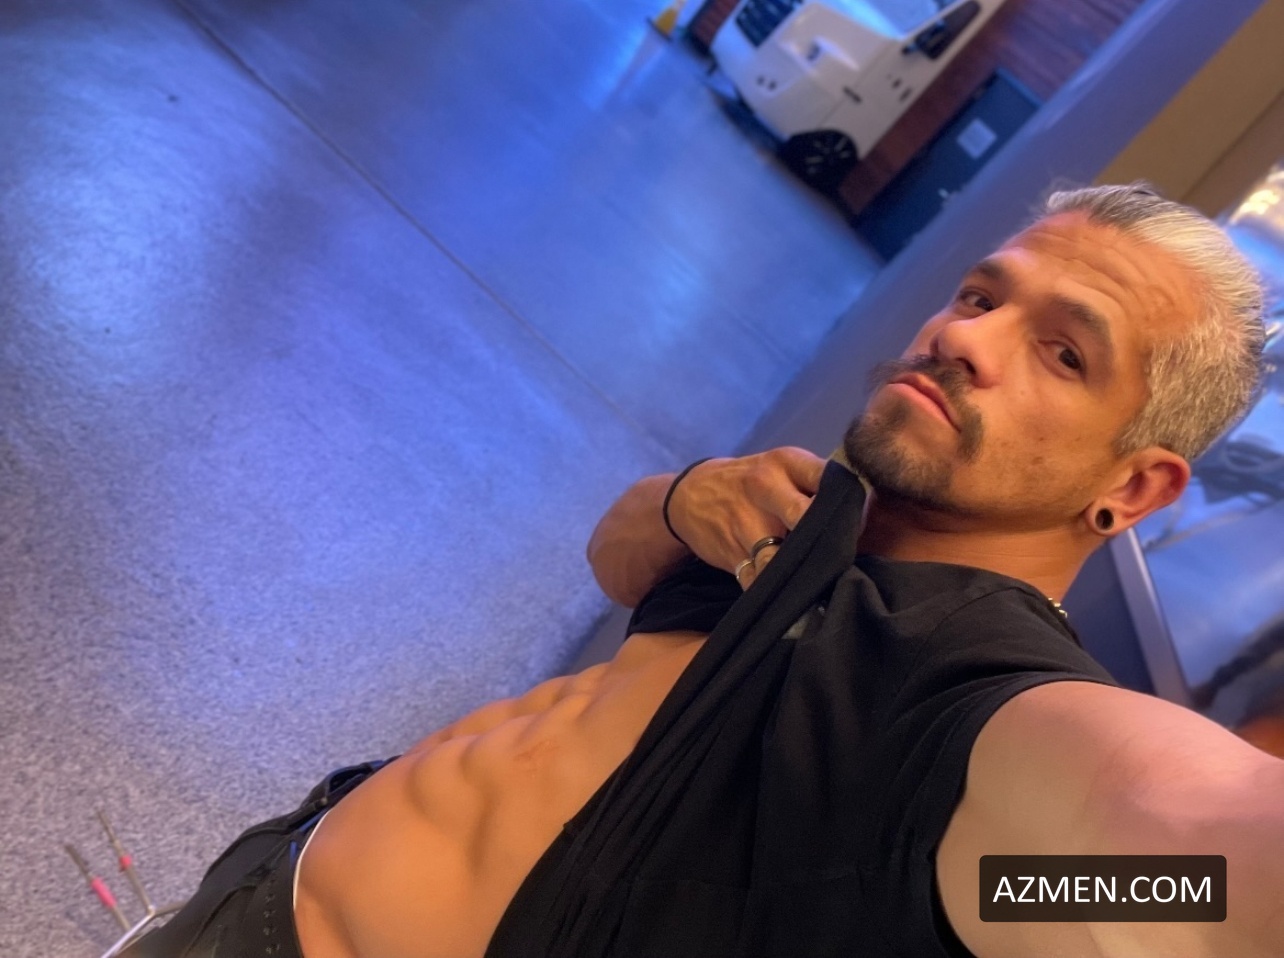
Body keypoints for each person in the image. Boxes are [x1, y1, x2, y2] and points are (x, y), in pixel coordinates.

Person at [122, 185, 1284, 958]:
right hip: (259, 881)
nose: (964, 337)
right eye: (983, 295)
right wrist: (685, 499)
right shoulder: (805, 525)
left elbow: (1184, 866)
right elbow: (620, 559)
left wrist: (1101, 881)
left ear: (1135, 488)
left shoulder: (971, 693)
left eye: (1063, 352)